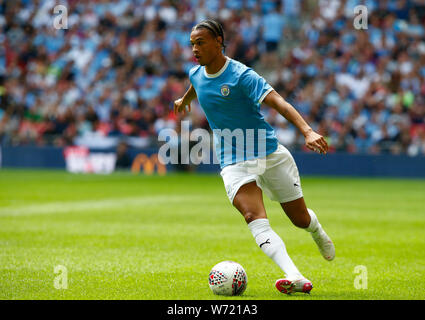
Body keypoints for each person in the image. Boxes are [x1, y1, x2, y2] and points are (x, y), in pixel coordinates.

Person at [174, 19, 335, 294]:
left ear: (219, 42)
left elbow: (279, 102)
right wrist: (184, 100)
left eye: (200, 42)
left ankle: (316, 231)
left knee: (299, 219)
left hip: (268, 153)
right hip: (233, 161)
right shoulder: (195, 74)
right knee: (253, 216)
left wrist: (307, 131)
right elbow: (196, 85)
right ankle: (295, 276)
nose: (195, 49)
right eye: (192, 44)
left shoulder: (242, 76)